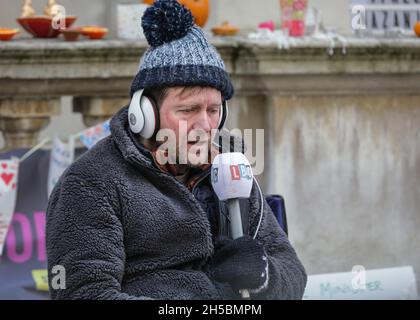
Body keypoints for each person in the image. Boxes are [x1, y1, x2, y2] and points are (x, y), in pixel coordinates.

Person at [46, 0, 307, 300]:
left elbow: (294, 273)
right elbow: (84, 294)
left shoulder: (231, 167)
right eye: (188, 110)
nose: (205, 125)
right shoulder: (90, 182)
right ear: (144, 115)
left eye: (213, 110)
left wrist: (265, 277)